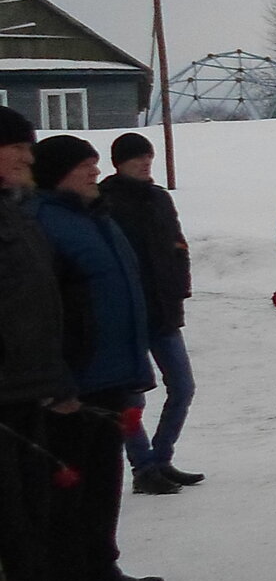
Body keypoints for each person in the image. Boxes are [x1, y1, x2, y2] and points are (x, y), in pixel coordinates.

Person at [28, 137, 162, 581]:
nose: (94, 172)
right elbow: (43, 310)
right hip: (73, 380)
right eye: (85, 165)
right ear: (58, 172)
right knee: (68, 488)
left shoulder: (95, 216)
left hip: (111, 371)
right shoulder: (43, 221)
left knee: (104, 480)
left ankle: (103, 569)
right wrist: (55, 377)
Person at [0, 111, 85, 581]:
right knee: (7, 518)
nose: (28, 158)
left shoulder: (19, 215)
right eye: (16, 149)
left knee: (29, 512)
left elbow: (36, 308)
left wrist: (55, 378)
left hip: (27, 387)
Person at [98, 133, 203, 494]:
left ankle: (160, 458)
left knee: (183, 387)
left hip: (163, 308)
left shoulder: (159, 198)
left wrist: (180, 288)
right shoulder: (104, 201)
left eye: (148, 156)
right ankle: (142, 466)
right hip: (125, 315)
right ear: (119, 162)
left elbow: (178, 244)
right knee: (130, 397)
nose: (145, 163)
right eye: (136, 158)